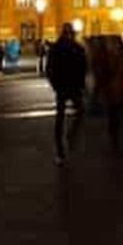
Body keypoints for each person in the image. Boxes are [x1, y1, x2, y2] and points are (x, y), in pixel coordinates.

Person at [45, 23, 87, 165]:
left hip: (66, 86)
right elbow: (83, 67)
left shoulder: (61, 48)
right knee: (69, 115)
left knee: (64, 117)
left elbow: (83, 67)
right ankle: (62, 147)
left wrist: (55, 85)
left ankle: (62, 148)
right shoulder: (73, 48)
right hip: (67, 86)